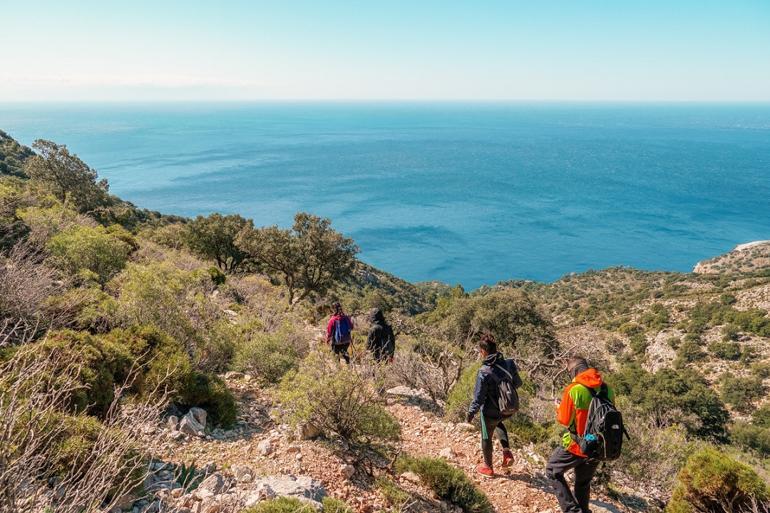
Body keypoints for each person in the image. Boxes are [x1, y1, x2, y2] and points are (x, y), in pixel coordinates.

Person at [546, 357, 615, 513]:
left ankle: (572, 510)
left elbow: (564, 420)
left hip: (577, 445)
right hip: (598, 446)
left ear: (574, 371)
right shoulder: (607, 389)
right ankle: (583, 510)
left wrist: (558, 407)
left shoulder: (574, 389)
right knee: (583, 482)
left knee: (552, 470)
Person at [466, 333, 522, 477]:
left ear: (483, 351)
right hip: (508, 408)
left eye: (480, 351)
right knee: (499, 422)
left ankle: (488, 467)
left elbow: (478, 398)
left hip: (490, 412)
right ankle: (506, 452)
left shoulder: (483, 371)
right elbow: (517, 383)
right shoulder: (509, 363)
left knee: (486, 436)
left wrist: (471, 413)